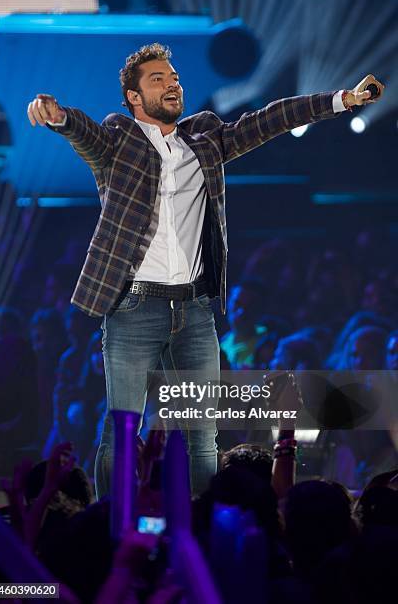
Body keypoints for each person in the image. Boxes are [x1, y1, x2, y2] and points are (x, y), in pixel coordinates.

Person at [27, 42, 385, 498]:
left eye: (174, 77)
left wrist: (340, 101)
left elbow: (269, 120)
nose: (172, 83)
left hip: (195, 307)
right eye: (158, 79)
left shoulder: (206, 137)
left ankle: (201, 536)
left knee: (200, 435)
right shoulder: (119, 140)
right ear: (135, 97)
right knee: (123, 429)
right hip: (134, 305)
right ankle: (110, 535)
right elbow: (85, 134)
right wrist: (58, 116)